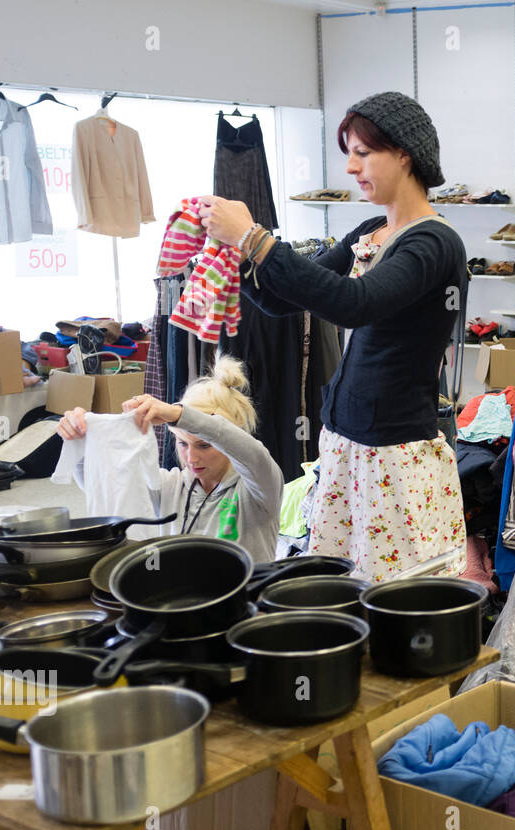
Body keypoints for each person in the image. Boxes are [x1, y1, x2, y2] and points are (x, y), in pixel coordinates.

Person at [198, 91, 468, 582]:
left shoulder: (434, 241)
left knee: (396, 593)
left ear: (404, 153)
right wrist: (238, 256)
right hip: (347, 439)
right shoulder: (371, 229)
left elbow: (352, 302)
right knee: (344, 578)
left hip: (396, 450)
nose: (350, 168)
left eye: (362, 153)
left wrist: (256, 238)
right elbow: (283, 302)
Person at [57, 356, 284, 563]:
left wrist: (178, 415)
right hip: (178, 601)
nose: (191, 458)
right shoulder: (168, 486)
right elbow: (105, 485)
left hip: (245, 600)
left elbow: (253, 453)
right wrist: (82, 440)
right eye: (183, 444)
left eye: (204, 445)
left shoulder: (259, 489)